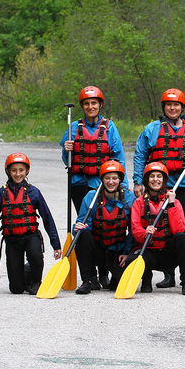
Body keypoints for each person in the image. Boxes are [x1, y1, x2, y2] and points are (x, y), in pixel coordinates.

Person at [133, 88, 185, 290]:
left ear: (182, 108)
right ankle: (169, 276)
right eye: (169, 105)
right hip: (157, 187)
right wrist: (138, 181)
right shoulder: (152, 129)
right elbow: (140, 155)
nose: (172, 108)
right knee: (161, 228)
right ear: (164, 107)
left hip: (184, 187)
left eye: (176, 105)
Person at [61, 85, 128, 287]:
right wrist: (67, 150)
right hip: (79, 183)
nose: (91, 107)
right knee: (87, 226)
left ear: (100, 105)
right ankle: (88, 276)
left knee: (106, 223)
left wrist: (119, 183)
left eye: (94, 103)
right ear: (82, 106)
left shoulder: (110, 127)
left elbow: (118, 156)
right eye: (87, 104)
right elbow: (67, 160)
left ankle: (104, 273)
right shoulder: (73, 127)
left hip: (102, 183)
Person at [0, 153, 61, 295]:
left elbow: (47, 218)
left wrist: (56, 245)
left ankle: (36, 281)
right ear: (8, 171)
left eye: (21, 170)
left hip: (30, 236)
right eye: (14, 170)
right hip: (12, 240)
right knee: (16, 289)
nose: (18, 174)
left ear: (27, 171)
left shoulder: (34, 192)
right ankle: (26, 271)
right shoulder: (1, 193)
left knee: (35, 255)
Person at [129, 162, 185, 295]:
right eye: (152, 176)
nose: (155, 179)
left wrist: (171, 205)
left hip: (167, 256)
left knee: (182, 238)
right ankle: (146, 279)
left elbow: (179, 230)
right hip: (148, 253)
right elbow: (135, 230)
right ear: (147, 181)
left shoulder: (174, 202)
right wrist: (144, 232)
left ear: (164, 180)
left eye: (159, 176)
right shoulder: (138, 202)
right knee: (133, 257)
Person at [72, 160, 135, 294]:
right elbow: (82, 223)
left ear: (120, 180)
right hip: (98, 249)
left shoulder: (129, 197)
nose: (111, 182)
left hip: (118, 251)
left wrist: (126, 252)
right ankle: (88, 280)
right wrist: (77, 228)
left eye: (114, 178)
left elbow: (133, 230)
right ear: (102, 180)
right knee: (82, 236)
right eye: (107, 178)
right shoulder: (91, 197)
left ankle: (112, 276)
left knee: (116, 286)